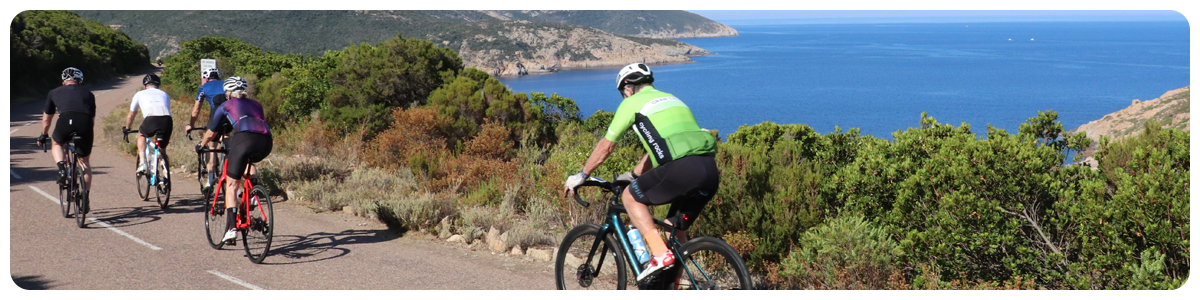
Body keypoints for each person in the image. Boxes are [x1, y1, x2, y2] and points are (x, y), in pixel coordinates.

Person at [562, 63, 719, 283]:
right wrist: (633, 176)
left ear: (627, 87)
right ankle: (672, 287)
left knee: (630, 197)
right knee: (674, 230)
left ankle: (659, 254)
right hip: (709, 170)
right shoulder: (672, 98)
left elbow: (606, 147)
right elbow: (657, 148)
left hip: (680, 168)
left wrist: (582, 175)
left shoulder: (632, 103)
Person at [195, 76, 273, 245]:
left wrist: (201, 145)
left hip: (244, 139)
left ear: (228, 93)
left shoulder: (225, 105)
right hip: (266, 141)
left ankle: (231, 230)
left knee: (231, 185)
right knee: (248, 162)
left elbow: (211, 133)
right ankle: (254, 194)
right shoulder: (257, 104)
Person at [37, 67, 98, 209]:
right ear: (80, 81)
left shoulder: (54, 92)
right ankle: (85, 197)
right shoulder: (89, 94)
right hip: (85, 124)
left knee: (57, 143)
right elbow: (92, 119)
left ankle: (62, 169)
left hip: (65, 121)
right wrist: (86, 134)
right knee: (85, 163)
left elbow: (47, 120)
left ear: (64, 82)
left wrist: (44, 134)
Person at [185, 67, 229, 190]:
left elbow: (196, 110)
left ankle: (210, 181)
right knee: (226, 139)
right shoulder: (226, 84)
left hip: (216, 116)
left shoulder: (203, 88)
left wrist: (191, 125)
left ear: (206, 78)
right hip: (230, 117)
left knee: (212, 147)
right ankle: (230, 169)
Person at [122, 74, 173, 175]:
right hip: (167, 120)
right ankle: (165, 175)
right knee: (162, 150)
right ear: (158, 85)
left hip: (151, 118)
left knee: (141, 134)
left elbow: (131, 115)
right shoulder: (164, 94)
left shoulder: (139, 94)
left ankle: (142, 162)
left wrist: (127, 128)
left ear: (145, 86)